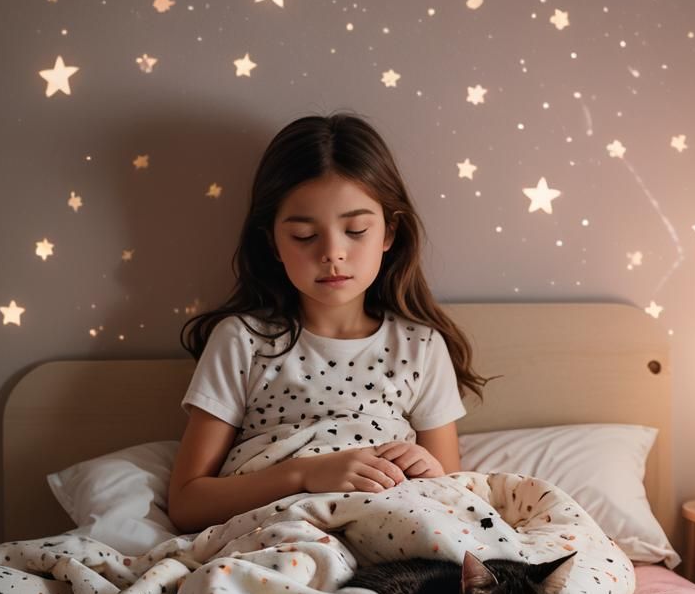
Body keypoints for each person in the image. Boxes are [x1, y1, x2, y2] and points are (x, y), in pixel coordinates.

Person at [168, 112, 490, 533]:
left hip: (390, 531)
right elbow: (188, 503)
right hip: (280, 534)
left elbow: (450, 500)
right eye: (304, 236)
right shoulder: (243, 341)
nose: (333, 253)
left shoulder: (421, 346)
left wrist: (425, 468)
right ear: (274, 244)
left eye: (355, 230)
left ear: (389, 233)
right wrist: (304, 475)